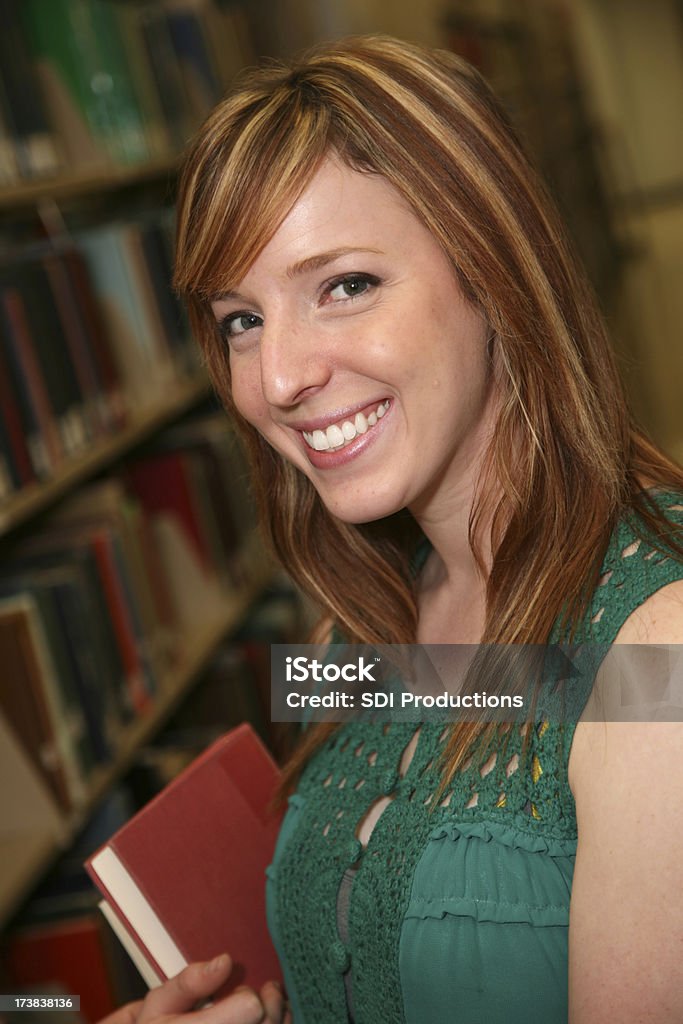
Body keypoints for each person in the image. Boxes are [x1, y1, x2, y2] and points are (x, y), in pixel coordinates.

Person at [119, 35, 683, 1023]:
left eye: (343, 286)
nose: (280, 379)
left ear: (490, 270)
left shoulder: (657, 651)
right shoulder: (353, 634)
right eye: (240, 319)